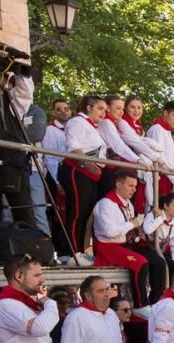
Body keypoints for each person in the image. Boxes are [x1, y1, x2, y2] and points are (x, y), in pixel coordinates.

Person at [91, 170, 169, 308]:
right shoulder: (106, 204)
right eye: (130, 186)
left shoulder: (128, 204)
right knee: (141, 263)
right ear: (118, 184)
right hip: (108, 247)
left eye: (135, 186)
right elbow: (109, 232)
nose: (134, 189)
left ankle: (155, 302)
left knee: (159, 262)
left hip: (126, 245)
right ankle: (141, 305)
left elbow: (134, 226)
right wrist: (132, 224)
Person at [58, 95, 108, 258]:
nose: (103, 113)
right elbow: (74, 146)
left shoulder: (93, 127)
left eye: (105, 111)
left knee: (86, 213)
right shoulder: (77, 122)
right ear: (89, 107)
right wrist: (87, 163)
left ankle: (79, 250)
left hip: (91, 175)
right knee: (77, 212)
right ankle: (71, 252)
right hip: (77, 170)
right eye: (100, 109)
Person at [146, 101, 174, 197]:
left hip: (168, 177)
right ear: (165, 113)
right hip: (161, 177)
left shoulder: (167, 131)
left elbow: (170, 159)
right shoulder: (156, 129)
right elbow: (159, 157)